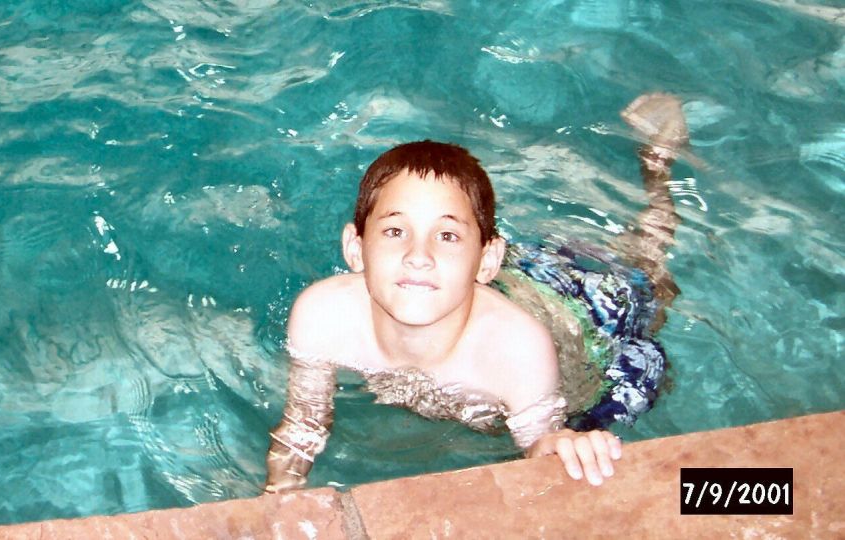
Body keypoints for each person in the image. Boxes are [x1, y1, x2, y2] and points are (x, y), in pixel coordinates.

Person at [264, 93, 689, 493]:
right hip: (500, 282)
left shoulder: (517, 350)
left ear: (487, 261)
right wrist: (280, 494)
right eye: (395, 231)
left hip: (586, 320)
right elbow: (303, 425)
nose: (418, 256)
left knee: (648, 283)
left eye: (446, 235)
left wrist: (560, 444)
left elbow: (541, 446)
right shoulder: (322, 316)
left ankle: (658, 164)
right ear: (356, 248)